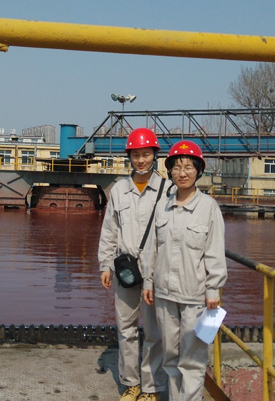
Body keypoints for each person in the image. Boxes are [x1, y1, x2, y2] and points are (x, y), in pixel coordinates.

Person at [142, 140, 227, 401]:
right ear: (170, 171)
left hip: (195, 297)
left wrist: (213, 289)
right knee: (170, 356)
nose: (182, 173)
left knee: (192, 359)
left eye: (189, 167)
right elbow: (152, 248)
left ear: (198, 171)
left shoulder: (209, 208)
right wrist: (148, 281)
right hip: (164, 294)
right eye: (177, 167)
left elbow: (214, 251)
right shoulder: (162, 206)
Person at [98, 127, 170, 401]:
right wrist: (105, 265)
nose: (141, 160)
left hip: (156, 272)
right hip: (125, 271)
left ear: (154, 155)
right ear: (129, 157)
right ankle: (131, 385)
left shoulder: (167, 190)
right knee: (126, 330)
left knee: (154, 333)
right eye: (136, 155)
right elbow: (109, 230)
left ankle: (152, 388)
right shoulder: (119, 190)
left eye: (146, 154)